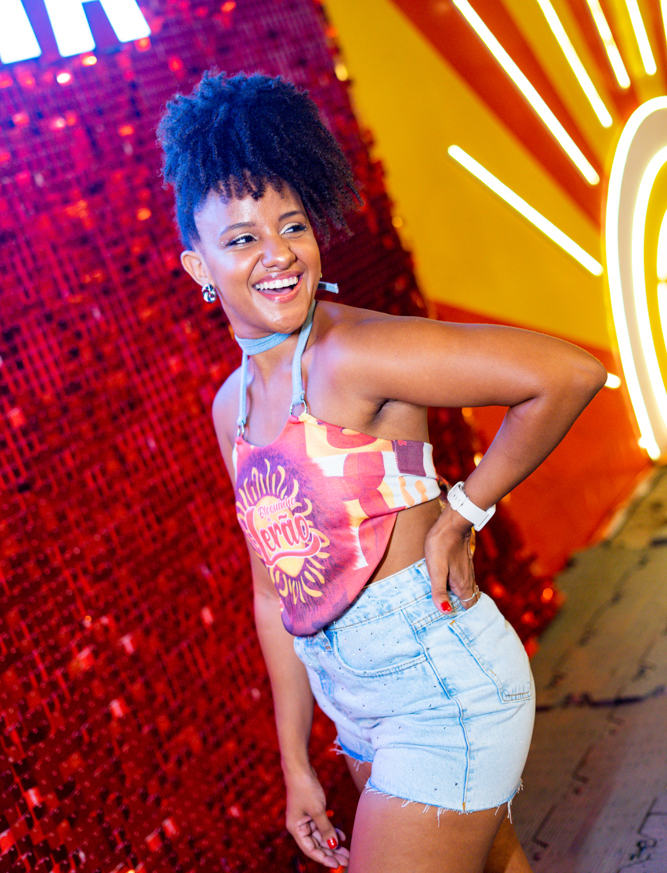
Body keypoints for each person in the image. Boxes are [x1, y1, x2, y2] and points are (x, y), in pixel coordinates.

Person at [157, 72, 607, 873]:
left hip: (438, 686)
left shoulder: (354, 352)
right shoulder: (232, 406)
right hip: (353, 704)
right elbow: (274, 596)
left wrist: (464, 510)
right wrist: (297, 765)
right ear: (199, 267)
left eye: (292, 226)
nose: (278, 254)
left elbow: (567, 374)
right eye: (243, 240)